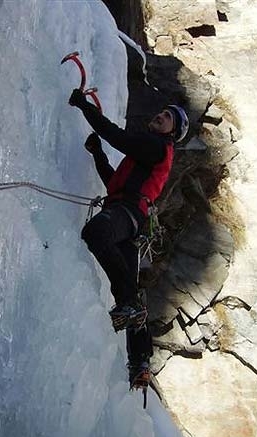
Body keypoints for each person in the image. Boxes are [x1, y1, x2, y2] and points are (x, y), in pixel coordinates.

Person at [69, 88, 189, 389]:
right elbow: (115, 184)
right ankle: (140, 360)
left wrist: (85, 106)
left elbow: (117, 137)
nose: (160, 116)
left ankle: (128, 305)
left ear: (172, 132)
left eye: (167, 118)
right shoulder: (150, 153)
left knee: (96, 233)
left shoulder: (157, 146)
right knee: (129, 286)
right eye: (161, 113)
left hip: (129, 214)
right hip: (127, 215)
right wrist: (98, 154)